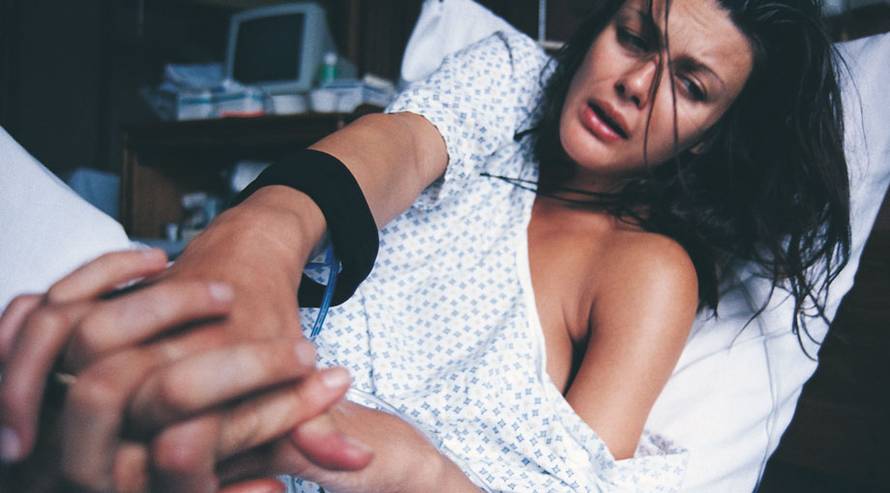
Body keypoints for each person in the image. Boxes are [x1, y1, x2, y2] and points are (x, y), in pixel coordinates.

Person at [0, 0, 852, 490]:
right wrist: (252, 246)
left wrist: (408, 464)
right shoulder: (509, 79)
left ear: (711, 137)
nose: (635, 84)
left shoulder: (646, 269)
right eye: (635, 36)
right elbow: (396, 148)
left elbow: (568, 482)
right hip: (217, 358)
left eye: (690, 86)